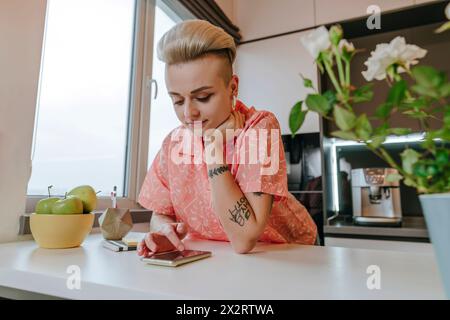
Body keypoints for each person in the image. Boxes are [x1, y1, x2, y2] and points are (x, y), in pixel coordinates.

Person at [137, 20, 317, 256]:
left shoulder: (259, 128)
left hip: (289, 253)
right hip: (220, 256)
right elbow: (160, 212)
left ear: (233, 88)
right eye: (177, 101)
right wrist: (164, 231)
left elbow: (244, 239)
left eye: (202, 97)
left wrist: (213, 150)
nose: (189, 113)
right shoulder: (174, 144)